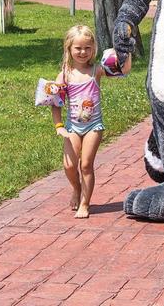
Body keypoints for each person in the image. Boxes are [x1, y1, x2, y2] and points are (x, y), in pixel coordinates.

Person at [52, 24, 132, 218]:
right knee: (69, 166)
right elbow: (55, 102)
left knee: (86, 165)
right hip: (72, 126)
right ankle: (77, 189)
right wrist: (59, 126)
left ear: (93, 48)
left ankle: (85, 204)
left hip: (93, 126)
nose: (83, 52)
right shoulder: (64, 74)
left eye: (87, 48)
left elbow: (124, 71)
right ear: (69, 49)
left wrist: (126, 51)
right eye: (78, 48)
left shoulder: (96, 70)